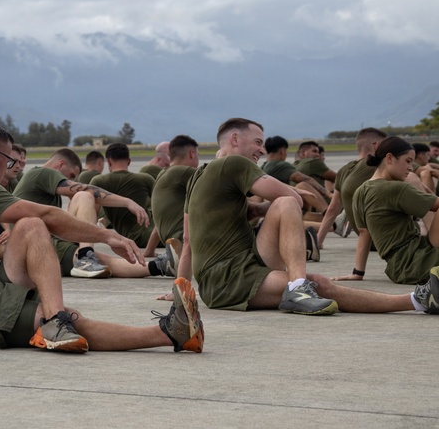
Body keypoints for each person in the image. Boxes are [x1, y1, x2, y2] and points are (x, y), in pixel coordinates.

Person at [0, 121, 203, 354]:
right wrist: (108, 235)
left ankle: (60, 321)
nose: (9, 172)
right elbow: (47, 216)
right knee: (36, 231)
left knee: (31, 229)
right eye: (9, 163)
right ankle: (167, 332)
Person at [181, 117, 439, 316]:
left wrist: (181, 288)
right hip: (231, 278)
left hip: (218, 279)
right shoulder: (235, 163)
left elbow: (188, 241)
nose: (261, 150)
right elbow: (293, 199)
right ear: (234, 139)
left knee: (283, 210)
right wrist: (283, 200)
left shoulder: (198, 176)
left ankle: (298, 286)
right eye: (258, 142)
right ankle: (299, 289)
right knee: (316, 277)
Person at [11, 147, 170, 279]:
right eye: (71, 175)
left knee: (106, 262)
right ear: (60, 164)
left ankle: (161, 266)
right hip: (34, 245)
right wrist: (127, 202)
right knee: (84, 195)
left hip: (41, 239)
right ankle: (85, 257)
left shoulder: (45, 190)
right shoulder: (42, 173)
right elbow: (87, 190)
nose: (71, 180)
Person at [347, 137, 439, 285]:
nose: (410, 167)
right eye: (408, 161)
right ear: (389, 158)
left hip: (398, 268)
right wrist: (418, 186)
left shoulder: (361, 191)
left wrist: (358, 273)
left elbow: (364, 234)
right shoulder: (396, 189)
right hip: (418, 262)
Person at [316, 127, 386, 247]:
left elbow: (333, 209)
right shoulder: (379, 166)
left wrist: (318, 242)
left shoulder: (344, 170)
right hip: (387, 237)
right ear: (376, 145)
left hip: (367, 241)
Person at [90, 143, 156, 247]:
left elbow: (92, 213)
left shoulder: (99, 181)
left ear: (109, 162)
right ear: (129, 161)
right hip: (155, 235)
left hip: (136, 239)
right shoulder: (146, 178)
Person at [150, 134, 200, 249]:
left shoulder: (163, 173)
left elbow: (159, 223)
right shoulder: (183, 172)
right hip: (181, 238)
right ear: (192, 153)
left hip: (171, 239)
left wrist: (149, 251)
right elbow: (219, 185)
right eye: (197, 154)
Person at [260, 136, 330, 216]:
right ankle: (328, 212)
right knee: (303, 185)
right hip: (287, 210)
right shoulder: (279, 165)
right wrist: (327, 193)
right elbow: (305, 178)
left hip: (274, 207)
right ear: (282, 151)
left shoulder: (263, 167)